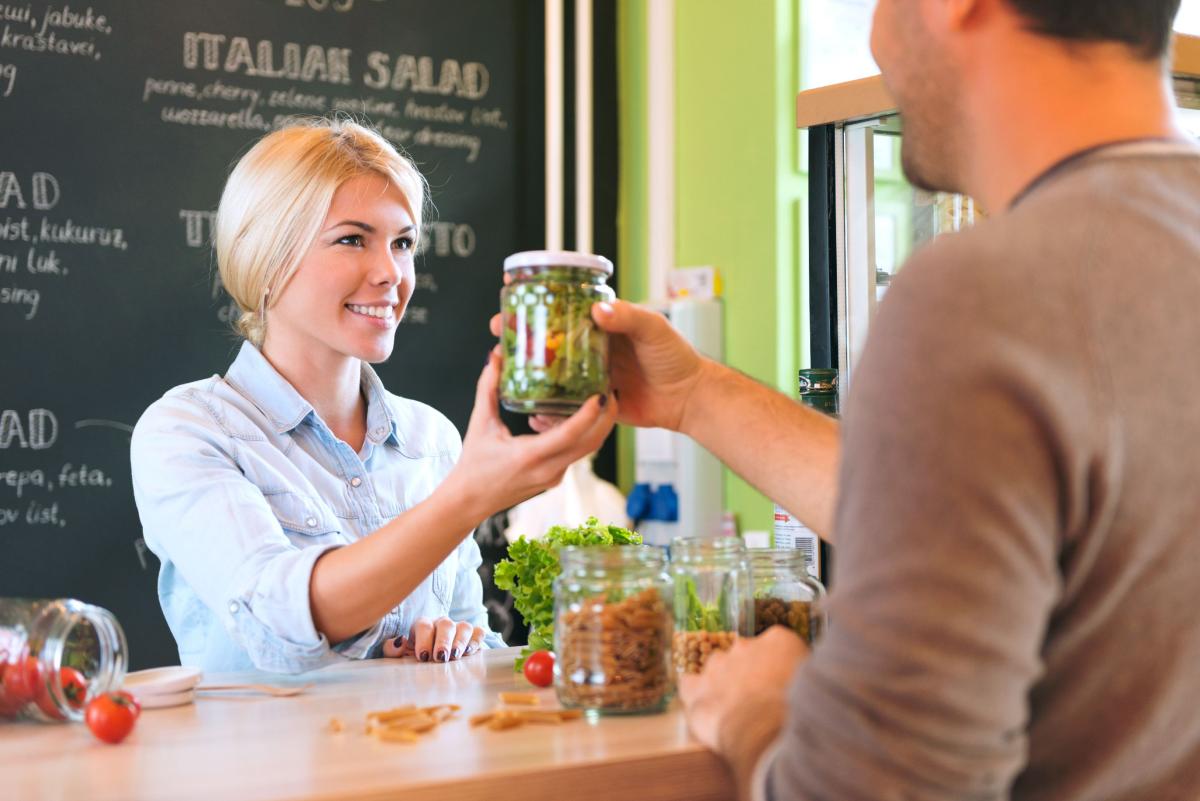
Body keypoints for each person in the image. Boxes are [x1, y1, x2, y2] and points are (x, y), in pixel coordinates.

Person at [580, 1, 1200, 799]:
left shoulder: (981, 293)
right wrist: (695, 394)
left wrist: (758, 713)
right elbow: (981, 511)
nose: (875, 37)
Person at [131, 119, 616, 674]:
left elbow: (476, 641)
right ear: (267, 259)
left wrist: (453, 644)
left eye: (403, 243)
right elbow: (276, 618)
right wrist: (468, 498)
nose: (391, 273)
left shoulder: (430, 437)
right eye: (351, 240)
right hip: (262, 761)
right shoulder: (188, 431)